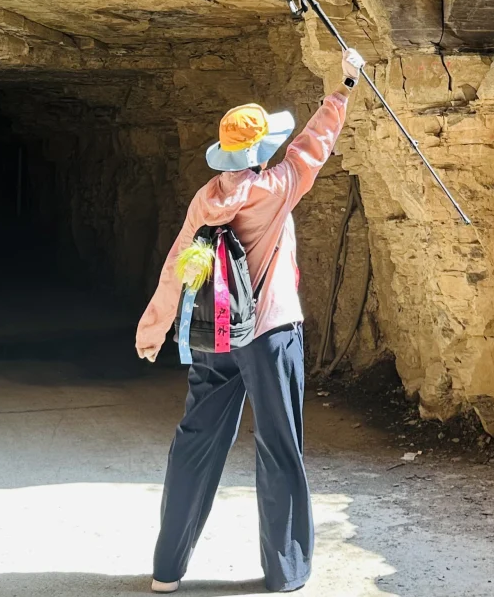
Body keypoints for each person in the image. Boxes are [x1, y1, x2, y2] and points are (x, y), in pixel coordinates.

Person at [136, 46, 365, 594]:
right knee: (279, 445)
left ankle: (167, 571)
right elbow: (315, 144)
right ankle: (285, 572)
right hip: (271, 335)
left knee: (195, 441)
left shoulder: (204, 199)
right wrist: (347, 86)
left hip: (215, 335)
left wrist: (154, 328)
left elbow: (176, 263)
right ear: (261, 151)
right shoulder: (277, 185)